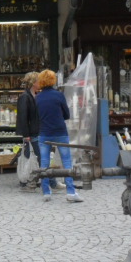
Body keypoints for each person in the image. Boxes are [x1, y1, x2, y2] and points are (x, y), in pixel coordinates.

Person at [35, 69, 81, 203]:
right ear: (53, 80)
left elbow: (37, 116)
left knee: (44, 163)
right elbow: (67, 114)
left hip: (44, 132)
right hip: (60, 131)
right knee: (67, 162)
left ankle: (46, 192)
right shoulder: (58, 95)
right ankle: (71, 192)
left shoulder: (38, 97)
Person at [16, 71, 41, 192]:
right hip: (30, 133)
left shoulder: (33, 95)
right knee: (29, 156)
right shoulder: (25, 97)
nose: (40, 82)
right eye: (38, 80)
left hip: (34, 131)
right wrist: (26, 135)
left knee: (33, 156)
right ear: (33, 82)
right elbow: (23, 116)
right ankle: (25, 179)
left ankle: (30, 179)